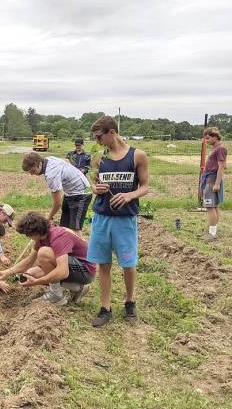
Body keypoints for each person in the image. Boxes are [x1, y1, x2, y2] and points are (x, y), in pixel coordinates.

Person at [87, 116, 149, 327]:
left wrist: (130, 195)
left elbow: (145, 186)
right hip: (102, 218)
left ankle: (130, 302)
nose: (97, 141)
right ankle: (105, 307)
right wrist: (96, 189)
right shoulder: (99, 157)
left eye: (99, 136)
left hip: (125, 219)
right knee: (103, 264)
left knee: (128, 264)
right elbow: (93, 183)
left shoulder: (137, 156)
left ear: (111, 132)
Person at [0, 211, 95, 305]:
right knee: (30, 273)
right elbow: (29, 260)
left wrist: (37, 282)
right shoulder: (42, 237)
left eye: (28, 235)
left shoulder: (58, 237)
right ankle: (77, 288)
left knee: (43, 253)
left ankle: (57, 295)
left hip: (86, 269)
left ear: (36, 232)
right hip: (73, 265)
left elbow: (63, 272)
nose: (28, 237)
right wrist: (6, 273)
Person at [22, 152, 92, 235]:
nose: (32, 174)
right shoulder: (48, 159)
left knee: (74, 229)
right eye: (30, 172)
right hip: (69, 193)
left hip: (83, 193)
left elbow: (57, 203)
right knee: (64, 227)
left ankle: (79, 247)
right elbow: (66, 161)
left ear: (40, 163)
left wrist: (48, 217)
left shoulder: (51, 174)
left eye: (33, 171)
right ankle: (65, 246)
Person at [200, 127, 227, 242]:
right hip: (209, 178)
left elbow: (221, 166)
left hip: (212, 179)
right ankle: (212, 231)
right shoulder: (216, 148)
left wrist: (217, 184)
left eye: (208, 138)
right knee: (213, 206)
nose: (206, 141)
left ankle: (212, 234)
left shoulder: (220, 148)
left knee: (210, 206)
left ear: (215, 137)